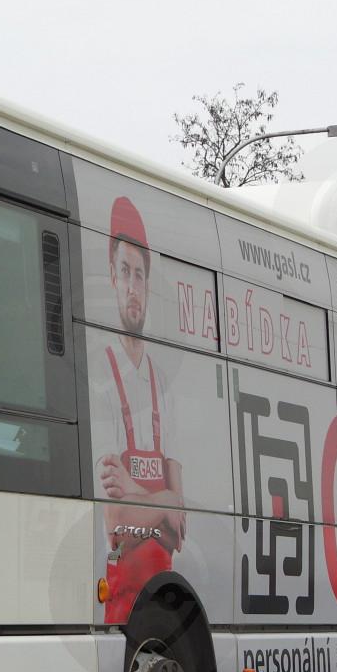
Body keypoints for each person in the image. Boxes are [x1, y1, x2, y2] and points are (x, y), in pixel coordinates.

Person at [91, 195, 187, 623]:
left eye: (140, 275)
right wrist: (163, 502)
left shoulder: (164, 388)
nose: (133, 287)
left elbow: (179, 524)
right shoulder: (100, 378)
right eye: (125, 272)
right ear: (113, 277)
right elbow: (115, 521)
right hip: (120, 605)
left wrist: (136, 491)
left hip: (165, 603)